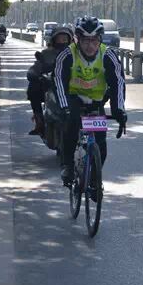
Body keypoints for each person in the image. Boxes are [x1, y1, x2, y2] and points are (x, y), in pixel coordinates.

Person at [54, 16, 127, 185]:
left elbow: (118, 83)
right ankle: (68, 165)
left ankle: (94, 181)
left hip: (96, 101)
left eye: (94, 40)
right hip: (73, 99)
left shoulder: (108, 55)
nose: (90, 45)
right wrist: (64, 107)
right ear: (77, 40)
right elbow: (58, 80)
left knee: (101, 146)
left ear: (100, 39)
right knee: (71, 126)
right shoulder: (67, 55)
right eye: (85, 41)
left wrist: (119, 110)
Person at [26, 27, 74, 136]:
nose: (62, 41)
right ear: (54, 40)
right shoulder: (47, 54)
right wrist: (35, 75)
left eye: (65, 38)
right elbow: (35, 68)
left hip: (73, 89)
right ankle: (39, 121)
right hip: (51, 87)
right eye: (60, 38)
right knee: (33, 88)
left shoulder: (76, 54)